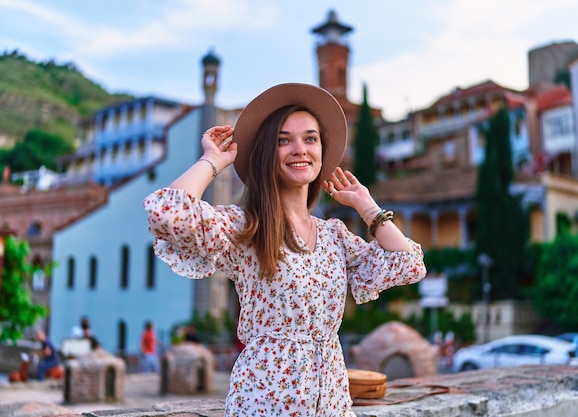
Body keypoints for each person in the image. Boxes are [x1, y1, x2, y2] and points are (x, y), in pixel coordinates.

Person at [144, 83, 427, 416]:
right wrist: (213, 160)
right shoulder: (247, 228)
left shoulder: (334, 236)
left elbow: (409, 264)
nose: (299, 149)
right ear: (267, 152)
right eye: (283, 140)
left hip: (331, 404)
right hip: (265, 403)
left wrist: (367, 207)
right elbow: (166, 211)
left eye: (310, 139)